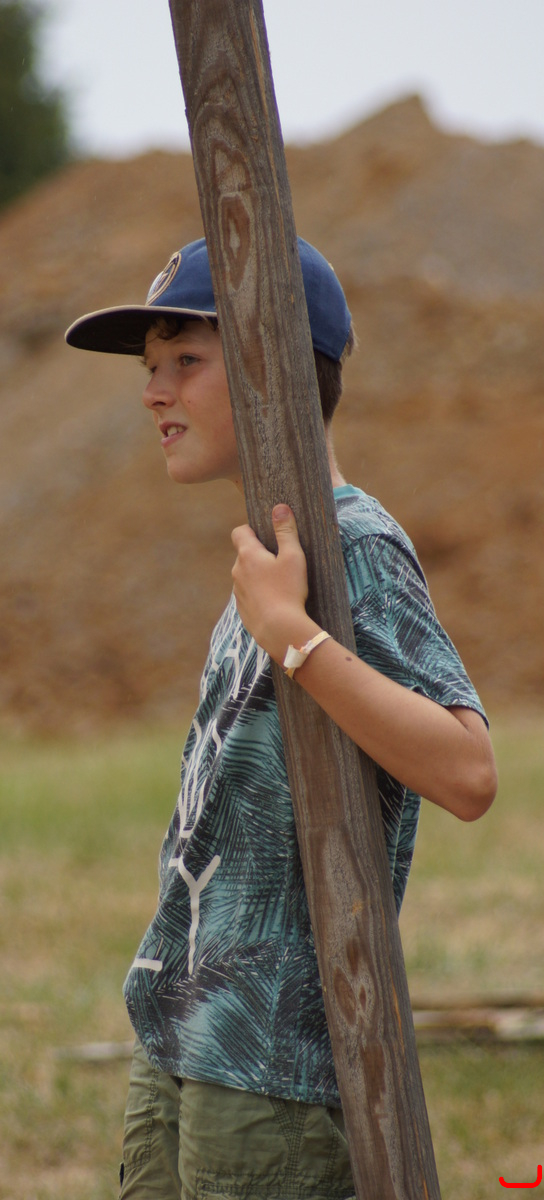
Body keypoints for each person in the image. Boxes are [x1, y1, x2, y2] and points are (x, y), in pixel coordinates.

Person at [65, 236, 497, 1200]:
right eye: (149, 368)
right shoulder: (273, 554)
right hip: (181, 1035)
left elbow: (468, 772)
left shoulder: (353, 546)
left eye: (185, 360)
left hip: (269, 1068)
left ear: (275, 372)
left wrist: (295, 639)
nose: (154, 393)